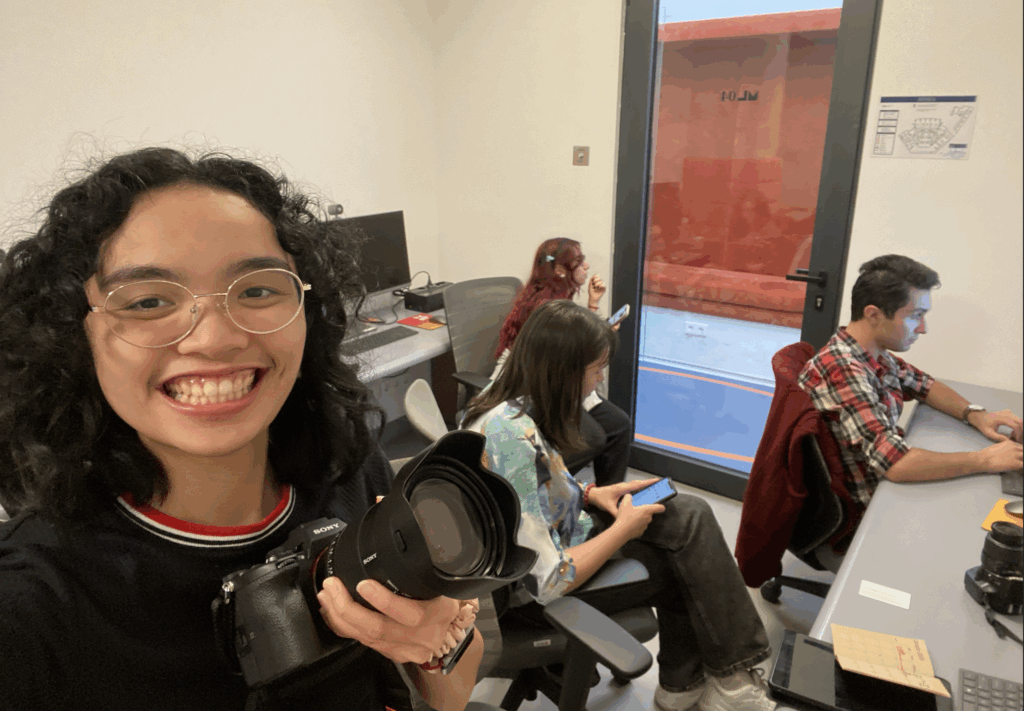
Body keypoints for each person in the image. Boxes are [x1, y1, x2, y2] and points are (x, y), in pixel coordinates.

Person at [0, 147, 483, 711]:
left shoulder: (348, 468)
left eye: (256, 290)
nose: (214, 339)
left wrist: (434, 642)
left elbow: (451, 696)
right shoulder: (32, 607)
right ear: (72, 335)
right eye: (148, 301)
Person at [464, 300, 778, 711]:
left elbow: (529, 495)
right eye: (596, 370)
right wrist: (622, 530)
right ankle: (724, 684)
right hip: (535, 598)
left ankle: (691, 684)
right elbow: (548, 580)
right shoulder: (508, 439)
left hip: (565, 534)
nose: (598, 381)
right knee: (687, 558)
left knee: (689, 514)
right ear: (564, 372)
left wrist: (591, 494)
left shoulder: (509, 411)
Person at [800, 254, 1023, 518]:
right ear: (873, 314)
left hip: (888, 489)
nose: (923, 329)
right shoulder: (843, 369)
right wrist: (985, 459)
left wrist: (977, 415)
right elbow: (895, 463)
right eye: (916, 316)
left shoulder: (873, 353)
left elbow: (925, 385)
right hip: (869, 507)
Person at [494, 237, 631, 487]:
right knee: (596, 437)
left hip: (553, 382)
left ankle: (605, 494)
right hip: (532, 390)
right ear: (559, 270)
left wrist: (593, 304)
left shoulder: (557, 298)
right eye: (579, 262)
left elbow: (576, 345)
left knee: (618, 424)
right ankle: (553, 486)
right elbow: (568, 358)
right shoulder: (547, 310)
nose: (586, 266)